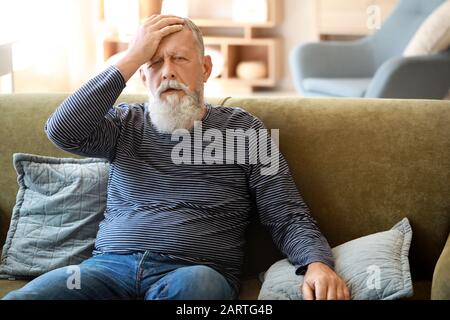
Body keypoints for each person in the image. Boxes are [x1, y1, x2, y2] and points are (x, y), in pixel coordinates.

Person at [3, 15, 350, 300]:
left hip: (196, 272)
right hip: (107, 271)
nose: (167, 71)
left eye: (179, 59)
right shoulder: (125, 123)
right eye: (154, 62)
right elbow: (62, 131)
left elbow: (286, 214)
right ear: (142, 75)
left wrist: (317, 262)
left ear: (205, 68)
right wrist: (129, 57)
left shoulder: (246, 130)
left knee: (194, 288)